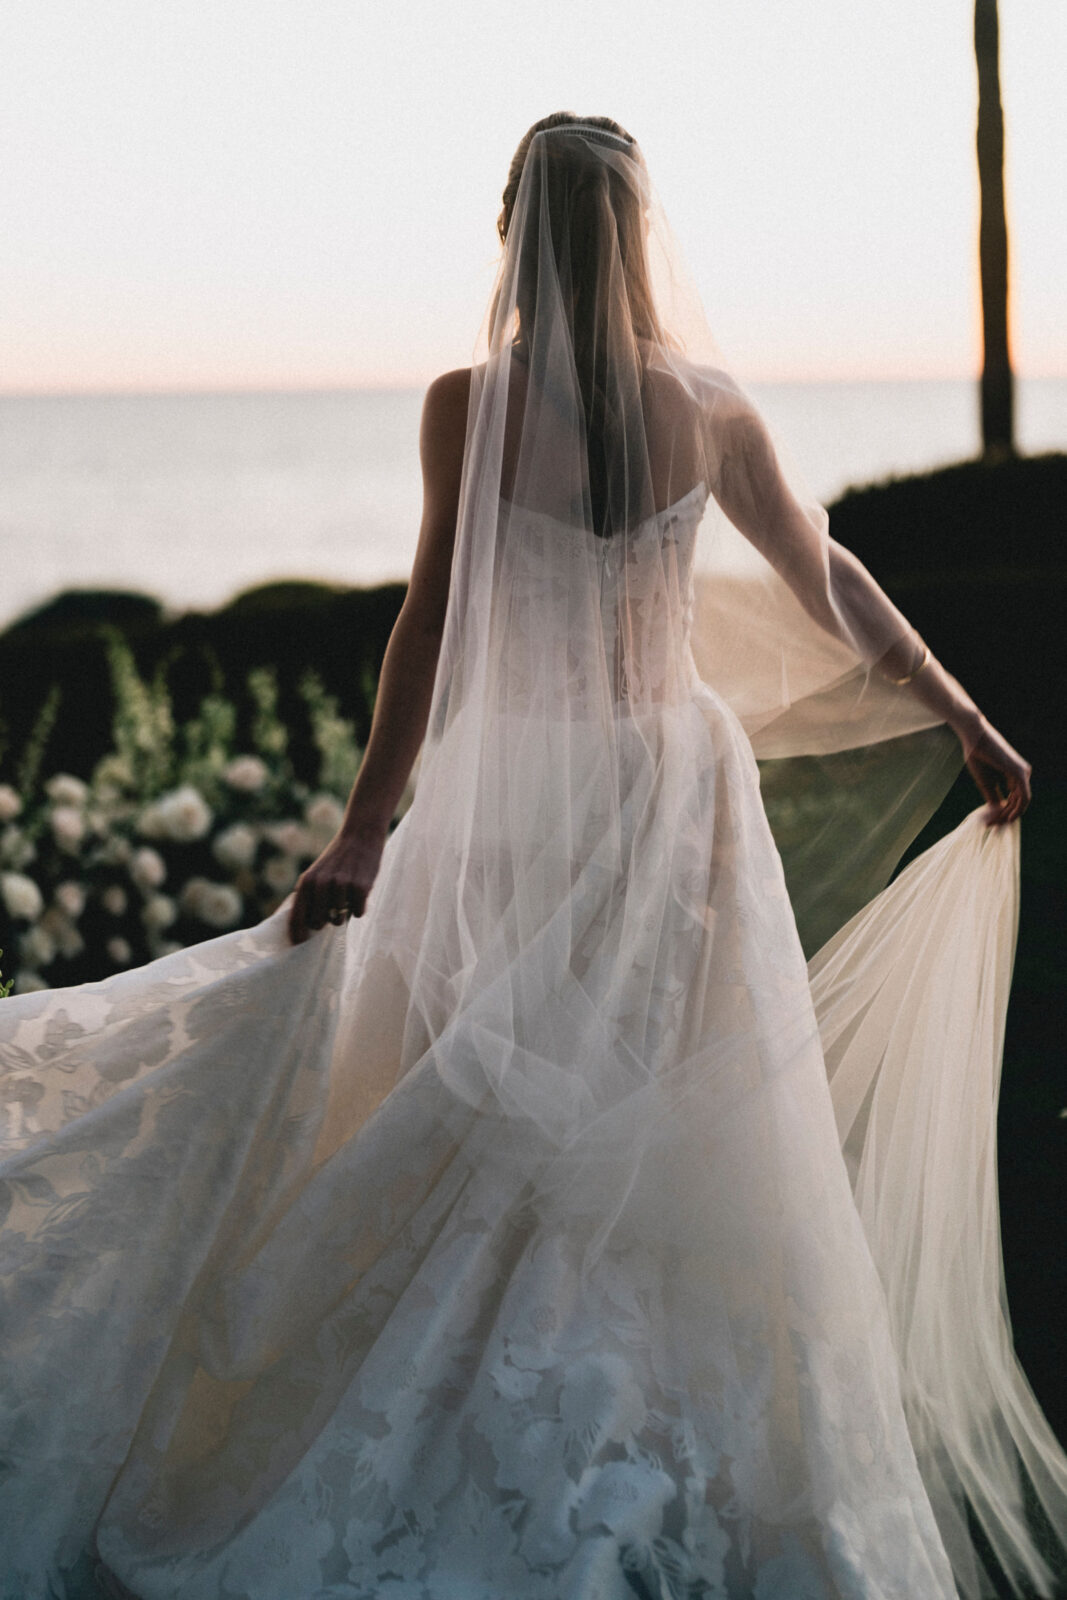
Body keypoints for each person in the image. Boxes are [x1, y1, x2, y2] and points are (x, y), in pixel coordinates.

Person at [0, 112, 1062, 1600]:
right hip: (668, 795)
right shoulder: (707, 408)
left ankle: (483, 1407)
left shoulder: (469, 403)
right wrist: (960, 712)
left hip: (515, 798)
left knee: (483, 1107)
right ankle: (640, 1418)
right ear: (637, 240)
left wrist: (365, 825)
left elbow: (426, 627)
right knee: (665, 1124)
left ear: (514, 230)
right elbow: (826, 578)